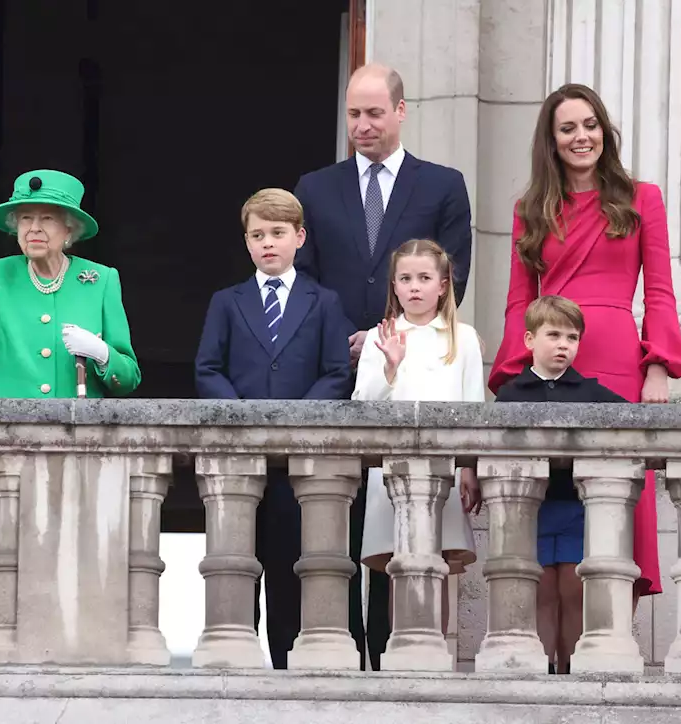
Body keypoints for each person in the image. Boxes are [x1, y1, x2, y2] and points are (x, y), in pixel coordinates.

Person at [293, 62, 473, 669]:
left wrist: (390, 336)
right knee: (336, 518)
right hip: (332, 372)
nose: (362, 125)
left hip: (415, 368)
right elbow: (306, 280)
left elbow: (456, 277)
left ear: (401, 111)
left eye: (374, 112)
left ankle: (402, 652)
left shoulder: (442, 185)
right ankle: (342, 654)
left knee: (409, 521)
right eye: (353, 114)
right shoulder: (314, 189)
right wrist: (347, 339)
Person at [488, 83, 681, 603]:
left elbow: (660, 290)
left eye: (590, 124)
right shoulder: (529, 208)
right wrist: (516, 377)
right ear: (551, 141)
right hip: (550, 367)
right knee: (553, 503)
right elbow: (518, 302)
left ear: (604, 129)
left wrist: (659, 366)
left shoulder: (643, 197)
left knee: (617, 499)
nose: (582, 137)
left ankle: (610, 633)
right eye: (568, 128)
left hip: (619, 362)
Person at [0, 170, 140, 666]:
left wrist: (99, 353)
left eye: (47, 219)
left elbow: (128, 374)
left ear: (70, 229)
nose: (34, 228)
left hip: (76, 455)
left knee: (70, 574)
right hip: (5, 451)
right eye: (25, 218)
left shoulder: (100, 281)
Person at [194, 188, 353, 668]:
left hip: (299, 461)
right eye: (258, 234)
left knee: (290, 565)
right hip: (239, 459)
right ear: (246, 243)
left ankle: (286, 668)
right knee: (236, 565)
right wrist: (241, 416)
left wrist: (296, 419)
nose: (268, 243)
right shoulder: (227, 301)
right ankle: (238, 664)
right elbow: (207, 368)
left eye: (278, 233)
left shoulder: (323, 301)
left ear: (299, 238)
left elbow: (336, 372)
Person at [352, 239, 481, 638]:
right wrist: (389, 368)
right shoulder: (380, 336)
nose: (414, 287)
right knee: (398, 566)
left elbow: (473, 407)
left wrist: (469, 468)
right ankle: (401, 652)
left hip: (443, 468)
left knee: (436, 564)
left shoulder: (463, 337)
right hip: (390, 470)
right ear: (394, 285)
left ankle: (434, 653)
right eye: (405, 278)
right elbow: (362, 406)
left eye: (424, 278)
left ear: (443, 285)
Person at [494, 295, 626, 674]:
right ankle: (543, 671)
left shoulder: (591, 393)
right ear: (530, 340)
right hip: (528, 511)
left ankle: (572, 670)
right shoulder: (510, 395)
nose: (564, 344)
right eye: (554, 335)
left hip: (574, 507)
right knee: (540, 593)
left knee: (573, 590)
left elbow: (634, 425)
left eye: (572, 337)